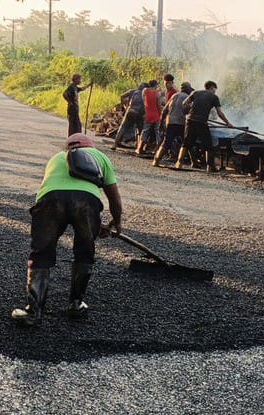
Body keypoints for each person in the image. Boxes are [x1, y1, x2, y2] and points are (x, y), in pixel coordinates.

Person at [12, 133, 124, 325]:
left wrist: (95, 226)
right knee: (84, 250)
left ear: (68, 147)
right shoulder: (99, 157)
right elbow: (113, 197)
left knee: (41, 252)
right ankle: (76, 304)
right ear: (91, 147)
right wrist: (116, 221)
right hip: (87, 202)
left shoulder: (56, 158)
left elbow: (62, 196)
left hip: (50, 199)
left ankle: (33, 312)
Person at [174, 80, 232, 173]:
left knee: (186, 142)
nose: (215, 91)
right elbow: (220, 113)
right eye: (214, 89)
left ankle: (179, 163)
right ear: (212, 88)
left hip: (190, 121)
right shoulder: (214, 97)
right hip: (201, 123)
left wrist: (190, 112)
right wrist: (228, 123)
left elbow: (184, 103)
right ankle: (210, 167)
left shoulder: (196, 93)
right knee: (208, 145)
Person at [152, 82, 193, 167]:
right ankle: (180, 163)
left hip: (170, 121)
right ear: (187, 90)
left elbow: (165, 110)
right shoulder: (187, 97)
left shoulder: (174, 95)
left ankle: (156, 160)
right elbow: (187, 111)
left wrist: (161, 122)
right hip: (180, 122)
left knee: (166, 142)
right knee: (185, 142)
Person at [114, 82, 147, 150]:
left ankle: (115, 144)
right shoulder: (145, 94)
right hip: (139, 114)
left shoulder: (132, 91)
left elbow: (122, 96)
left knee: (123, 127)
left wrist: (124, 106)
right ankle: (138, 147)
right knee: (140, 131)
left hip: (130, 111)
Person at [138, 79, 162, 156]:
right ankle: (157, 150)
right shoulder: (157, 94)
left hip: (148, 114)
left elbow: (143, 100)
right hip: (156, 115)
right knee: (157, 132)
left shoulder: (145, 91)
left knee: (145, 131)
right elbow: (158, 106)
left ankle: (139, 149)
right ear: (155, 85)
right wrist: (161, 114)